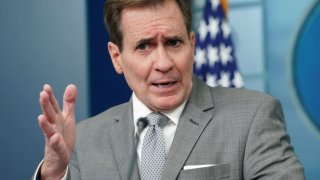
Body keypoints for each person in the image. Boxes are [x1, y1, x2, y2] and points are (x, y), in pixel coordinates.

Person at [33, 0, 305, 179]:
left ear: (192, 44)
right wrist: (54, 173)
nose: (163, 63)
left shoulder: (253, 117)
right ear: (117, 57)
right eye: (144, 46)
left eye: (174, 43)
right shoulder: (83, 140)